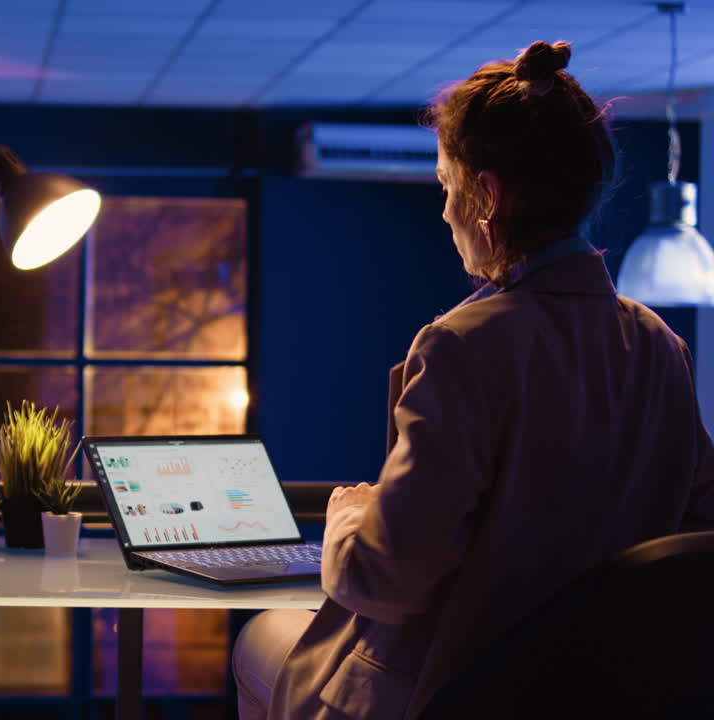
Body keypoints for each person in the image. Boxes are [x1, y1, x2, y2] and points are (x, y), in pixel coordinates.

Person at [233, 40, 714, 720]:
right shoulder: (659, 346)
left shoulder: (462, 346)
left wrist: (346, 516)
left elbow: (385, 575)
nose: (444, 212)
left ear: (485, 196)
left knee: (260, 640)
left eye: (445, 187)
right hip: (601, 694)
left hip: (454, 691)